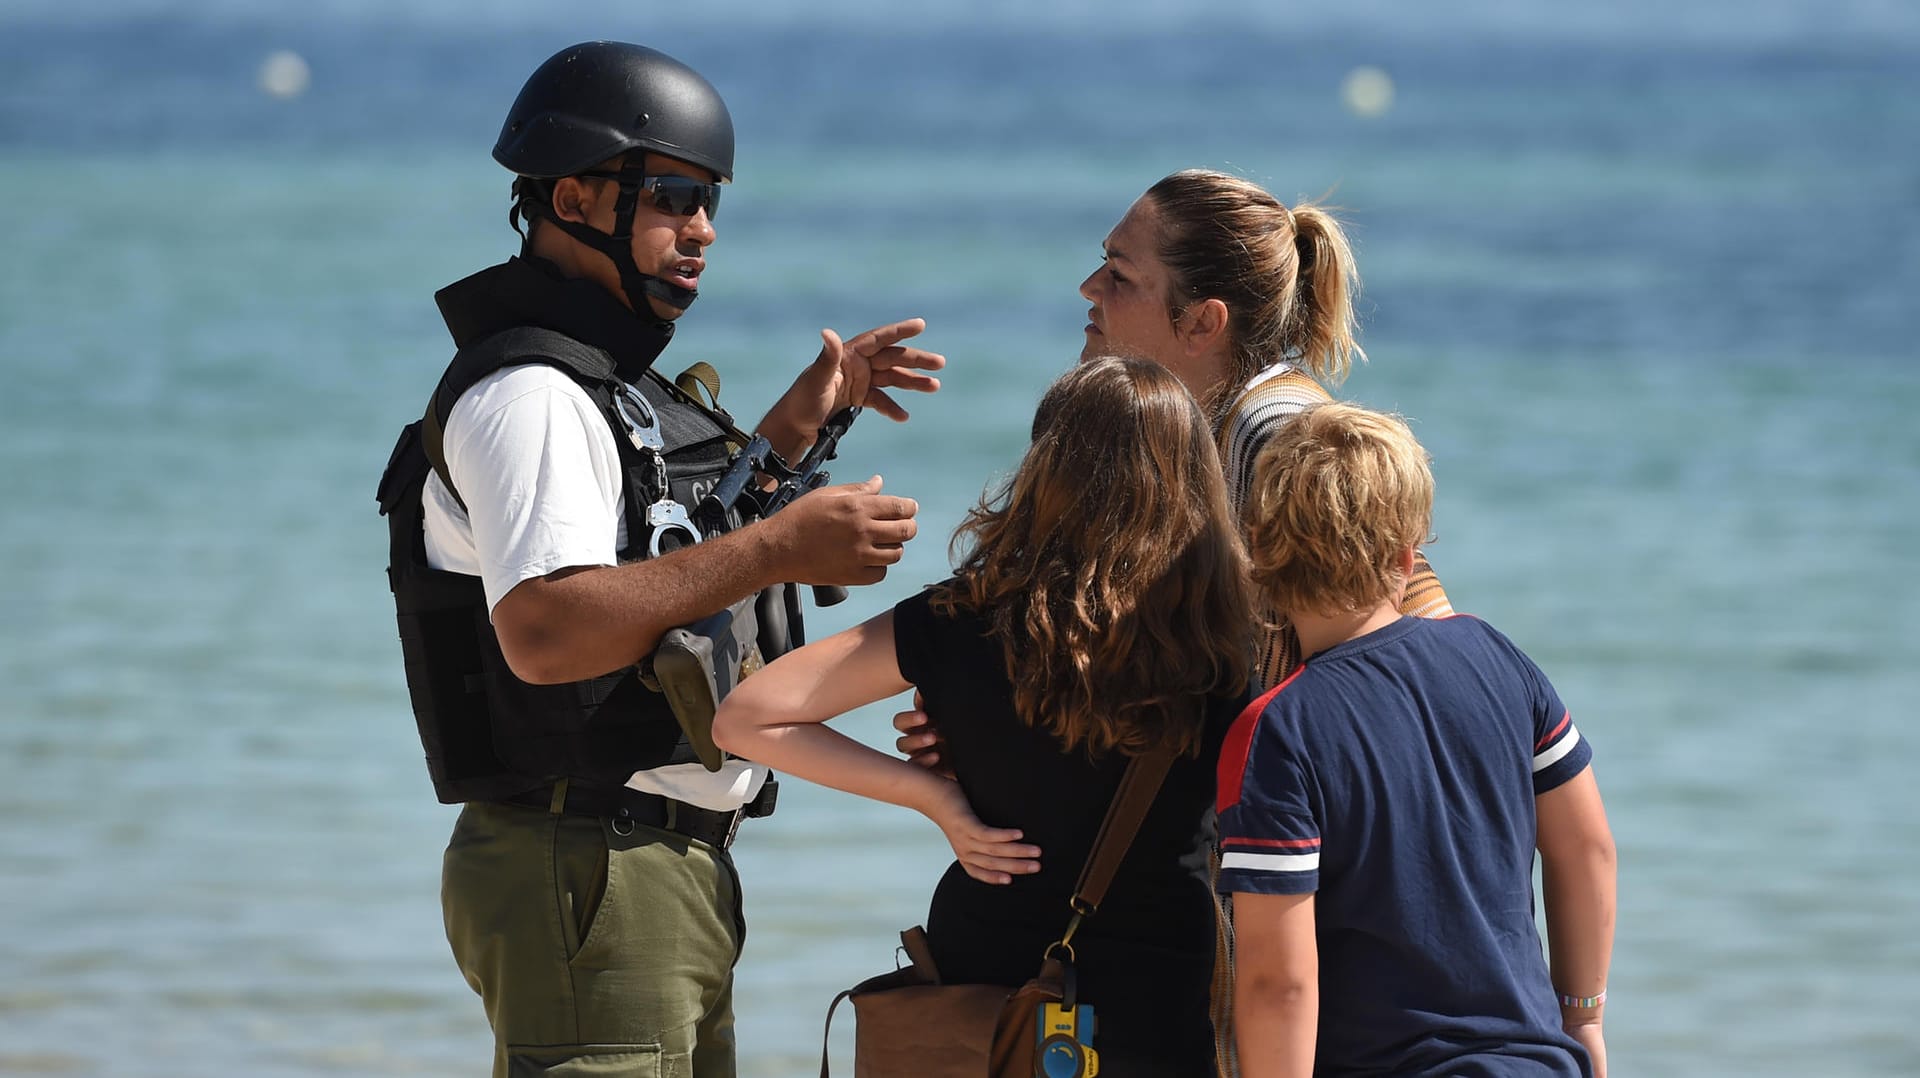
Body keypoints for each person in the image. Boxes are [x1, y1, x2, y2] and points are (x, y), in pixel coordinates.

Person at [374, 41, 944, 1077]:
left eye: (710, 202)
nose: (703, 231)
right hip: (591, 860)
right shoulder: (534, 397)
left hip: (645, 864)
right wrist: (781, 547)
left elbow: (671, 541)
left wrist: (799, 426)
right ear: (580, 199)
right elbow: (547, 629)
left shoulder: (601, 385)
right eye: (675, 197)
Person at [712, 356, 1255, 1077]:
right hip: (1151, 1006)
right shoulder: (1223, 648)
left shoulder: (967, 617)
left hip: (982, 998)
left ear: (1044, 471)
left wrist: (935, 797)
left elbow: (746, 718)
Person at [1217, 402, 1617, 1078]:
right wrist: (1582, 1017)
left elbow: (1277, 986)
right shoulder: (1495, 657)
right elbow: (1588, 849)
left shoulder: (1276, 731)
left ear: (1258, 553)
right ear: (1406, 555)